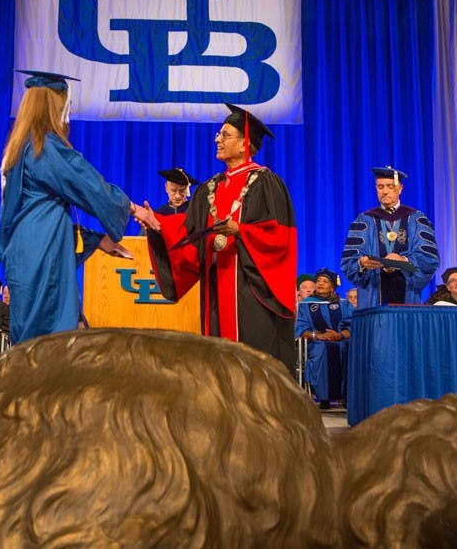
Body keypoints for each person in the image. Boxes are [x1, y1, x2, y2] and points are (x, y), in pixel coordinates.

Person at [0, 71, 152, 346]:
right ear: (56, 106)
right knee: (47, 337)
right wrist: (133, 209)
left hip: (23, 249)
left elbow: (40, 209)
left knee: (28, 333)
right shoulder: (44, 147)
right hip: (42, 251)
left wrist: (95, 239)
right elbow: (88, 184)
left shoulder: (18, 148)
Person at [144, 104, 296, 370]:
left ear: (244, 143)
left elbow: (280, 238)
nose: (217, 139)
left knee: (253, 361)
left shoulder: (266, 183)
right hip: (216, 286)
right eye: (218, 134)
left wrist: (242, 231)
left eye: (225, 134)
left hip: (251, 289)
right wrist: (158, 225)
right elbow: (189, 234)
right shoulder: (208, 189)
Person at [341, 167, 439, 308]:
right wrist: (361, 264)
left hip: (407, 298)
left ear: (400, 189)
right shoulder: (364, 220)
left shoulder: (417, 219)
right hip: (372, 297)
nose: (385, 191)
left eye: (390, 186)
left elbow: (429, 259)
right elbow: (348, 261)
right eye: (380, 187)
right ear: (376, 188)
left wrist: (404, 260)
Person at [295, 268, 352, 409]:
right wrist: (318, 336)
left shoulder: (344, 304)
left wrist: (339, 335)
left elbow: (352, 326)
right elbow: (301, 330)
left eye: (325, 281)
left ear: (333, 287)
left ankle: (345, 395)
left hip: (341, 340)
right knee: (321, 351)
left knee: (347, 349)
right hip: (317, 342)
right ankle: (324, 397)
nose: (320, 283)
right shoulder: (306, 304)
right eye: (318, 280)